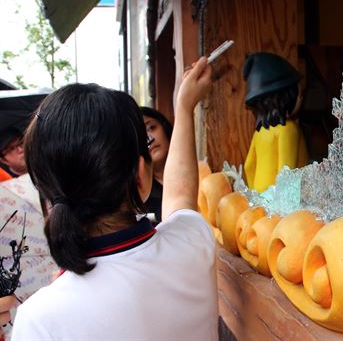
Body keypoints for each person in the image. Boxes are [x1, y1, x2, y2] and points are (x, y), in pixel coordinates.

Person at [12, 57, 218, 340]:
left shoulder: (39, 319)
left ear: (45, 191)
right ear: (140, 176)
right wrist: (184, 107)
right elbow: (181, 194)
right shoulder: (193, 243)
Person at [242, 52, 308, 192]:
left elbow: (248, 166)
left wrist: (256, 193)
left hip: (260, 195)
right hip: (281, 200)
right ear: (286, 97)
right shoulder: (288, 129)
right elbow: (286, 171)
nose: (301, 99)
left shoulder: (260, 132)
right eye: (299, 95)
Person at [140, 107, 173, 223]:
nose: (149, 139)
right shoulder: (142, 199)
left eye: (151, 128)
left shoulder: (199, 171)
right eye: (140, 137)